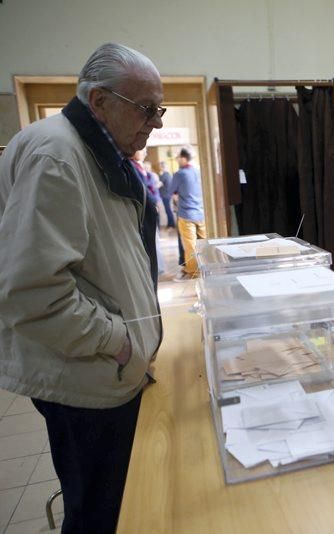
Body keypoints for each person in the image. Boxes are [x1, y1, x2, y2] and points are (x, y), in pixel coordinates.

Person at [0, 43, 164, 533]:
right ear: (98, 101)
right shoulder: (57, 154)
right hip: (86, 380)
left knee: (111, 501)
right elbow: (33, 291)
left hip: (104, 372)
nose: (154, 123)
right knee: (98, 512)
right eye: (145, 109)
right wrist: (118, 343)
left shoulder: (98, 149)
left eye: (159, 110)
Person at [167, 147, 206, 280]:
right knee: (204, 243)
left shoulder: (179, 174)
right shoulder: (199, 171)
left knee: (190, 245)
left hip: (186, 214)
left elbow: (170, 191)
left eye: (178, 157)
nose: (177, 159)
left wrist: (177, 194)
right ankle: (207, 267)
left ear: (184, 158)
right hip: (202, 212)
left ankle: (193, 272)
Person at [158, 160, 175, 228]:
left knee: (168, 211)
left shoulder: (164, 175)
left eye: (160, 166)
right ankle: (170, 224)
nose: (160, 168)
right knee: (168, 210)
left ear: (162, 167)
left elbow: (158, 185)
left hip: (165, 195)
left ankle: (171, 225)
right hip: (167, 195)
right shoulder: (168, 174)